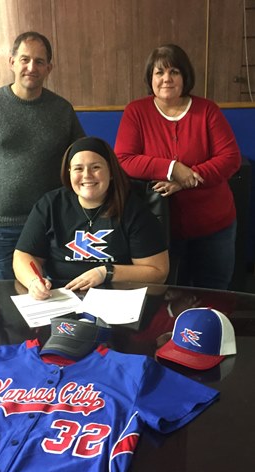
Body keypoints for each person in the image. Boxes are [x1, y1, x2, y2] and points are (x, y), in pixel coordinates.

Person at [0, 31, 85, 280]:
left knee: (52, 296)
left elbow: (81, 158)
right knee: (7, 299)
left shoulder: (62, 110)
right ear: (12, 62)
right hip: (0, 227)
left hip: (50, 224)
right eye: (25, 59)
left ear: (49, 67)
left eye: (39, 61)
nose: (31, 67)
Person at [114, 44, 241, 290]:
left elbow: (230, 158)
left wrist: (186, 179)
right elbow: (123, 160)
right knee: (165, 297)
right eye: (159, 72)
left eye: (174, 72)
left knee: (214, 293)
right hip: (157, 230)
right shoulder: (136, 111)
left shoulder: (207, 110)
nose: (166, 79)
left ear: (185, 76)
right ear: (150, 78)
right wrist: (172, 168)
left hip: (213, 227)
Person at [13, 136, 169, 300]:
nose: (87, 175)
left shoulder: (134, 209)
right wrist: (33, 282)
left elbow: (157, 272)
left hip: (118, 299)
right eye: (78, 169)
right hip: (61, 297)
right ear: (69, 173)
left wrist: (105, 272)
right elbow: (23, 255)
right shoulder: (50, 204)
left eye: (95, 167)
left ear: (110, 172)